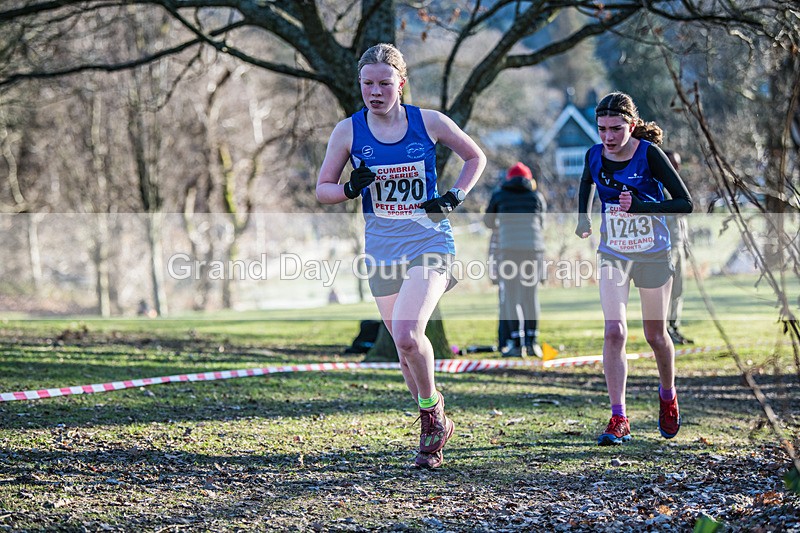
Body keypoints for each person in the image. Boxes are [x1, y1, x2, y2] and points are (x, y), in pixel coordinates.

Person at [316, 43, 486, 468]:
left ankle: (431, 416)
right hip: (382, 249)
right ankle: (435, 422)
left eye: (384, 83)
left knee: (409, 333)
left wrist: (452, 197)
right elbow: (323, 190)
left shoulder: (427, 121)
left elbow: (474, 156)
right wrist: (350, 189)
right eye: (368, 84)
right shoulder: (348, 131)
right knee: (403, 348)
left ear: (401, 84)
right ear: (360, 85)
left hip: (429, 243)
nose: (376, 91)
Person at [575, 92, 692, 446]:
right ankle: (619, 416)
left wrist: (641, 206)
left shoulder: (649, 155)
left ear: (632, 125)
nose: (608, 137)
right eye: (602, 129)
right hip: (613, 253)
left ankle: (668, 395)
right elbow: (586, 182)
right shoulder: (594, 154)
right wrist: (583, 217)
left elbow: (685, 203)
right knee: (615, 331)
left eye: (615, 128)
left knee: (655, 336)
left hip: (653, 254)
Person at [484, 162, 547, 358]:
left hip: (509, 251)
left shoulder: (499, 195)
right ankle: (532, 341)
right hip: (533, 251)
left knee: (511, 298)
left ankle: (516, 342)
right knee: (530, 296)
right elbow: (542, 222)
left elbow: (488, 222)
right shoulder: (536, 196)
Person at [663, 150, 694, 345]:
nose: (677, 168)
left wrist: (687, 246)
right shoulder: (661, 188)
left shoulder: (678, 188)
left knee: (678, 291)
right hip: (666, 248)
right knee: (665, 292)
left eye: (679, 164)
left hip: (680, 246)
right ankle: (665, 329)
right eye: (673, 164)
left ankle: (674, 326)